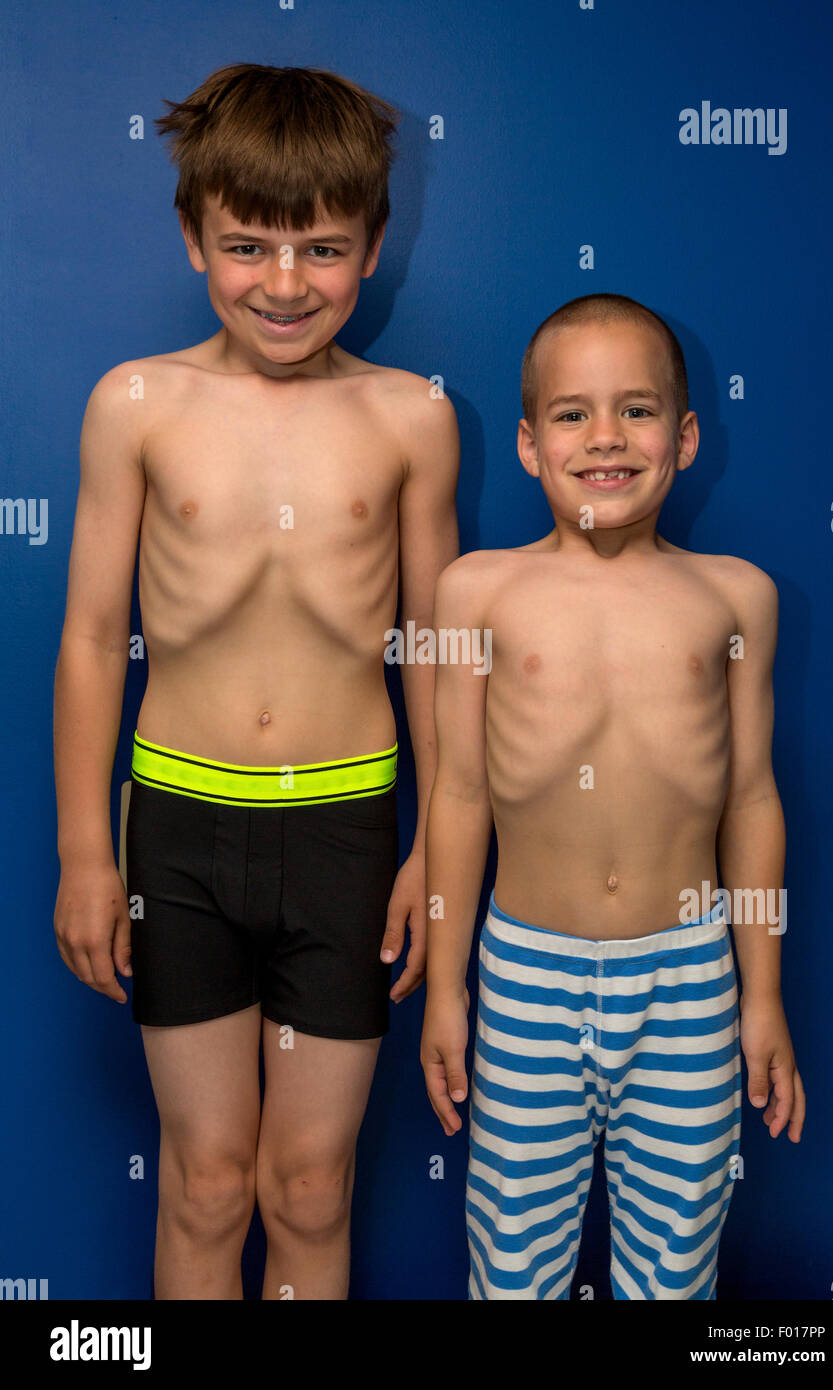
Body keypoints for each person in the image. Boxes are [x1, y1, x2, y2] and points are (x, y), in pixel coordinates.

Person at [52, 63, 459, 1300]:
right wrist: (84, 849)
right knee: (210, 1177)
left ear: (374, 246)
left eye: (323, 250)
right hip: (173, 828)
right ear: (192, 238)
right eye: (247, 246)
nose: (285, 285)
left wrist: (434, 848)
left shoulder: (410, 419)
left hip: (344, 829)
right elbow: (88, 635)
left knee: (307, 1187)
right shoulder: (135, 404)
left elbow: (436, 642)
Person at [421, 292, 805, 1300]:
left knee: (674, 1267)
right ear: (524, 442)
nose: (604, 438)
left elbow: (752, 802)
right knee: (512, 1262)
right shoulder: (475, 592)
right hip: (524, 975)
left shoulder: (734, 596)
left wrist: (759, 995)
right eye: (570, 414)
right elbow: (457, 793)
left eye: (635, 411)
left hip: (687, 975)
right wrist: (448, 986)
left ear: (681, 439)